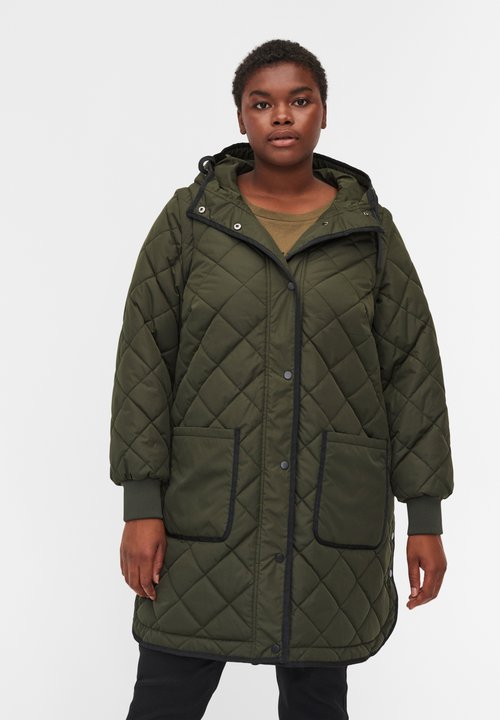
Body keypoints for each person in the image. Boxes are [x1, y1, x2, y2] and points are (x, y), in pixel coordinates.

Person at [109, 39, 454, 720]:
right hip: (205, 509)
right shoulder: (189, 222)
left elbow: (413, 371)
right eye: (262, 103)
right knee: (165, 695)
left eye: (300, 100)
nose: (282, 116)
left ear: (324, 111)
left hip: (331, 513)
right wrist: (141, 504)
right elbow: (144, 359)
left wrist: (425, 516)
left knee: (317, 700)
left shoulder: (369, 233)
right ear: (241, 118)